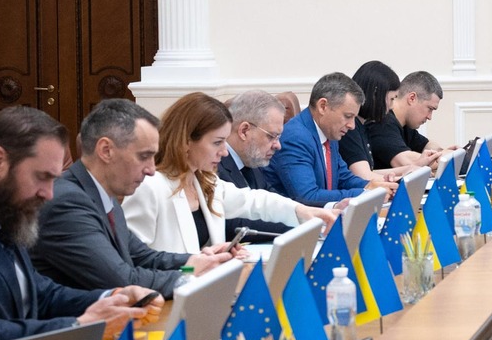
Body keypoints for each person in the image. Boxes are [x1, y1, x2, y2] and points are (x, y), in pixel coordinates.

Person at [0, 106, 159, 340]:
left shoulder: (7, 209)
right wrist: (80, 326)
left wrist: (114, 297)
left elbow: (38, 294)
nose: (49, 194)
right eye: (42, 177)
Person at [31, 98, 234, 295]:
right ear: (106, 150)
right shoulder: (68, 203)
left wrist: (200, 261)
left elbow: (142, 256)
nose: (151, 170)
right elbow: (121, 280)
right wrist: (189, 277)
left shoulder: (104, 195)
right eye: (144, 156)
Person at [125, 94, 336, 253]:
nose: (224, 151)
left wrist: (301, 211)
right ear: (187, 141)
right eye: (217, 142)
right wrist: (197, 262)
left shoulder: (204, 180)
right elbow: (136, 262)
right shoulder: (149, 187)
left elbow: (253, 201)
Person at [271, 72, 371, 205]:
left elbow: (343, 178)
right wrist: (366, 193)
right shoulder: (295, 138)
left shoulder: (329, 132)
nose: (352, 126)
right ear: (323, 106)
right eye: (348, 116)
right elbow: (308, 197)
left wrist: (373, 186)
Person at [218, 90, 290, 239]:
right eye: (272, 136)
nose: (278, 145)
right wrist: (302, 221)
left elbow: (278, 202)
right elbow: (234, 224)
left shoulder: (250, 160)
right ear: (244, 131)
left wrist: (327, 209)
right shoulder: (215, 165)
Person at [364, 69, 446, 172]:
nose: (430, 117)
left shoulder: (404, 125)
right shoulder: (383, 123)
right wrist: (442, 157)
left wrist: (439, 153)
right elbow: (407, 162)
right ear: (412, 98)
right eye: (430, 108)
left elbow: (428, 145)